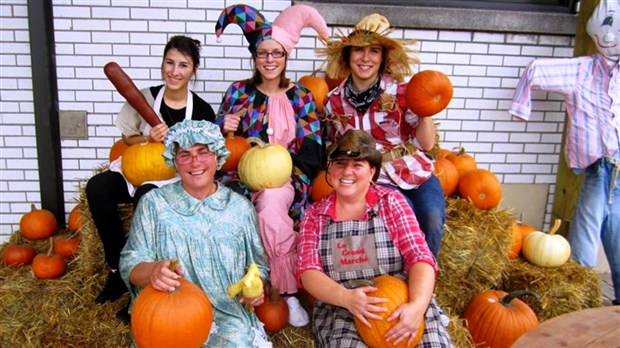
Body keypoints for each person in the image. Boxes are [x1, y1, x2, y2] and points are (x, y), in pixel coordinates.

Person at [85, 35, 216, 321]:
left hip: (172, 179)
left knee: (147, 197)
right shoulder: (143, 96)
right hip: (137, 168)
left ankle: (142, 284)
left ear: (193, 70)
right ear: (162, 64)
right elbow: (126, 138)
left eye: (183, 65)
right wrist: (147, 138)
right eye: (169, 63)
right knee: (98, 188)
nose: (174, 71)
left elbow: (205, 156)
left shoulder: (203, 110)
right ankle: (116, 269)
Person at [214, 4, 328, 327]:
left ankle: (284, 291)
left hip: (287, 178)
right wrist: (223, 126)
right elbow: (216, 148)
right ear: (254, 57)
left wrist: (281, 169)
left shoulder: (302, 97)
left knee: (270, 202)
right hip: (238, 176)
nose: (269, 60)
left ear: (286, 57)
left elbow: (312, 149)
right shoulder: (237, 93)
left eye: (276, 53)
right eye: (263, 53)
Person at [119, 119, 272, 347]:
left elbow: (258, 266)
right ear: (174, 161)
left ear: (218, 157)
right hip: (168, 315)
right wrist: (153, 271)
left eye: (203, 152)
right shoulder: (155, 204)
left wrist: (255, 289)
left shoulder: (240, 208)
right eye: (184, 155)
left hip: (226, 314)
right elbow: (130, 263)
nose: (195, 161)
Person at [296, 129, 452, 347]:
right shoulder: (315, 215)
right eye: (340, 163)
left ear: (372, 172)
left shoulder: (391, 202)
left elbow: (420, 257)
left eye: (358, 165)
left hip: (401, 300)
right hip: (343, 308)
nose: (347, 172)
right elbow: (307, 272)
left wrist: (417, 306)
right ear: (330, 171)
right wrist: (345, 298)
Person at [509, 0, 619, 306]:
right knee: (589, 225)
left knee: (614, 230)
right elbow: (536, 70)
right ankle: (580, 293)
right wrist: (522, 108)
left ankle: (592, 297)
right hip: (600, 164)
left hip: (617, 165)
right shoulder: (582, 70)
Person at [317, 13, 446, 258]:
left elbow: (426, 144)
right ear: (348, 55)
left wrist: (425, 110)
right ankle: (400, 280)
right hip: (375, 179)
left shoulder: (403, 92)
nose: (365, 58)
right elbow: (334, 146)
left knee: (431, 217)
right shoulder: (334, 101)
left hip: (414, 171)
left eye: (374, 51)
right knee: (404, 215)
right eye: (358, 50)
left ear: (383, 57)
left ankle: (425, 283)